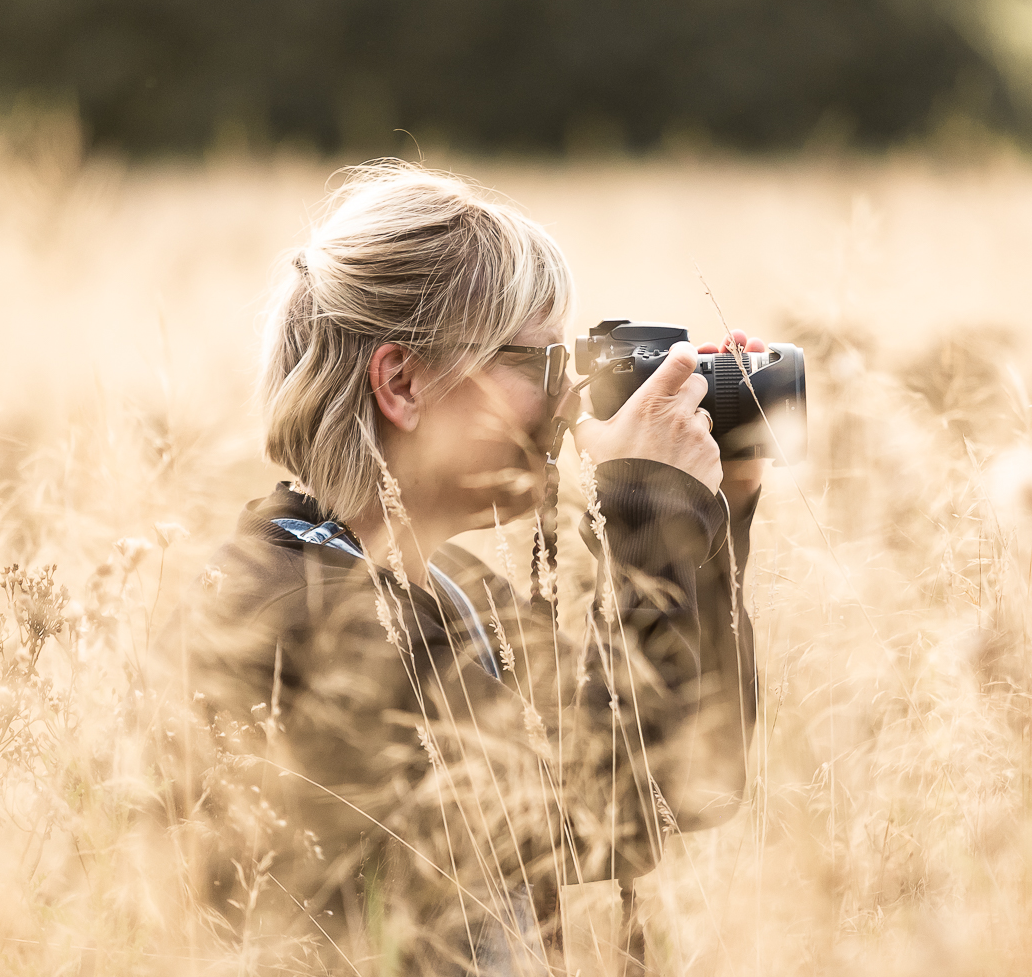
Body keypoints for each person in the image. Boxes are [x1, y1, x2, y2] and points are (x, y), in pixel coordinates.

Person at [180, 161, 764, 976]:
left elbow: (689, 780)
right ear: (403, 383)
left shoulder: (450, 590)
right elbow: (609, 804)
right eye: (540, 365)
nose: (570, 401)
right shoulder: (292, 612)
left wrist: (713, 514)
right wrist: (650, 507)